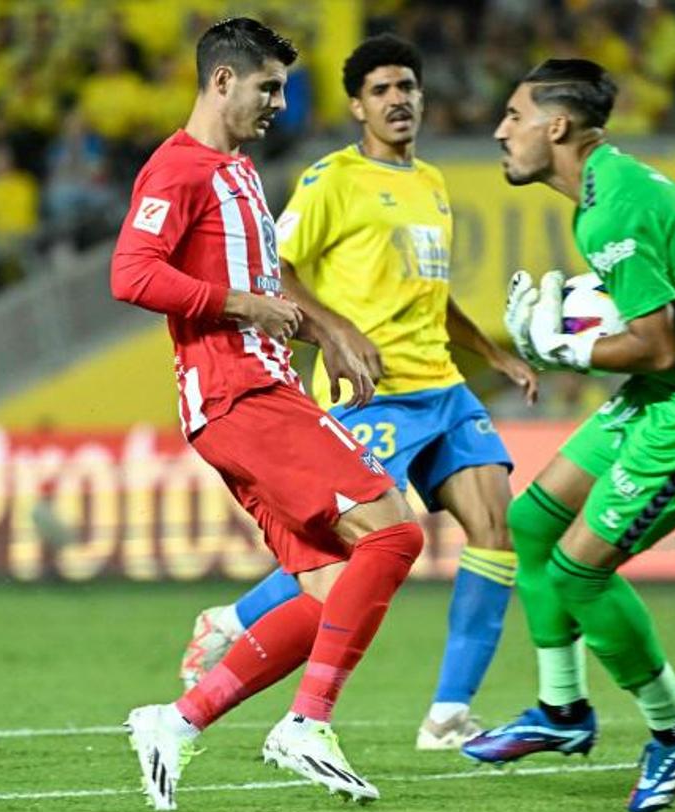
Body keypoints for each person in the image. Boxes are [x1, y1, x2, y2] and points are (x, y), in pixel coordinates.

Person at [176, 34, 538, 751]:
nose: (398, 100)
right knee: (359, 548)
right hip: (369, 393)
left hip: (442, 386)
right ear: (356, 106)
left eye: (408, 86)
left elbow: (432, 295)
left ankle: (448, 714)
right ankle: (235, 620)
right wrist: (336, 329)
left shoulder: (432, 183)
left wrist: (495, 352)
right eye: (382, 90)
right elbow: (273, 265)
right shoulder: (330, 181)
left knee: (497, 530)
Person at [110, 18, 424, 811]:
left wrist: (327, 331)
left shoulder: (239, 172)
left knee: (326, 588)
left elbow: (267, 286)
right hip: (238, 394)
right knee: (394, 532)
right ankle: (306, 724)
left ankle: (177, 723)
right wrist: (236, 303)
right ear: (222, 82)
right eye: (269, 87)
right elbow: (132, 272)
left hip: (257, 390)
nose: (281, 102)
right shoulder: (178, 169)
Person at [461, 59, 675, 812]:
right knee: (532, 521)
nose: (499, 130)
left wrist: (561, 348)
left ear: (558, 126)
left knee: (580, 572)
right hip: (673, 389)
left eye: (514, 114)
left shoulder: (613, 210)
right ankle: (563, 710)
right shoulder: (609, 190)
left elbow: (660, 345)